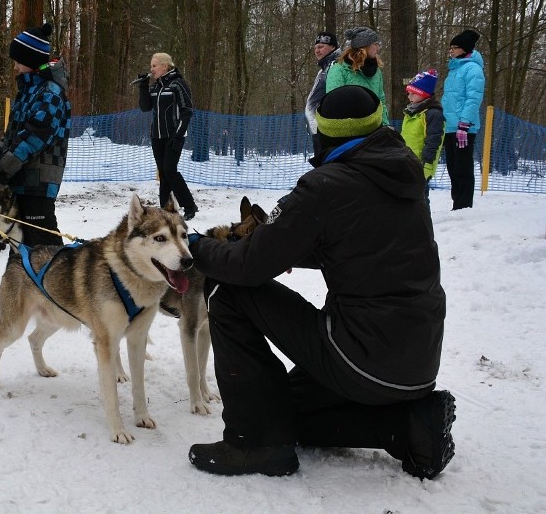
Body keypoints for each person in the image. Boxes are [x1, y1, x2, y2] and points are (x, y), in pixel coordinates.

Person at [186, 85, 454, 480]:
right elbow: (363, 242)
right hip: (417, 360)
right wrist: (287, 246)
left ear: (324, 132)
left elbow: (245, 266)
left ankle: (255, 444)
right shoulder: (402, 171)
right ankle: (410, 427)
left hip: (360, 356)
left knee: (228, 290)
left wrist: (198, 246)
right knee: (284, 408)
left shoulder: (327, 186)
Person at [0, 22, 71, 247]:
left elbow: (33, 139)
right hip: (20, 178)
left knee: (44, 245)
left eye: (18, 62)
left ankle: (60, 282)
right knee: (21, 246)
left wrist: (3, 168)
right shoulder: (28, 91)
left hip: (38, 182)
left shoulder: (50, 94)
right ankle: (25, 282)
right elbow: (12, 135)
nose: (15, 67)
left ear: (31, 61)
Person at [138, 52, 198, 220]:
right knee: (163, 173)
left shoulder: (178, 84)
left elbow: (187, 111)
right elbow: (145, 107)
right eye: (151, 66)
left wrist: (178, 135)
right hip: (157, 136)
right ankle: (164, 208)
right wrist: (143, 86)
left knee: (170, 170)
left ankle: (189, 205)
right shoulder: (156, 86)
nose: (152, 69)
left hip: (174, 135)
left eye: (154, 65)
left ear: (165, 66)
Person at [441, 29, 485, 210]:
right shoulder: (454, 69)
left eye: (455, 47)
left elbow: (473, 98)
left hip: (464, 128)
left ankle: (464, 205)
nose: (451, 50)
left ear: (465, 48)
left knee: (462, 168)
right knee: (452, 167)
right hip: (450, 127)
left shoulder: (473, 69)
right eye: (450, 47)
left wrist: (464, 123)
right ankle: (456, 203)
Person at [326, 26, 390, 126]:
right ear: (364, 46)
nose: (378, 48)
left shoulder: (377, 71)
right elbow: (333, 102)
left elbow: (381, 101)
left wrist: (386, 126)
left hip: (375, 128)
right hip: (349, 130)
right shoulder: (339, 70)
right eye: (375, 44)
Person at [402, 69, 445, 208]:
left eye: (413, 93)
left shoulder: (433, 114)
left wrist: (426, 163)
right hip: (407, 161)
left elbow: (433, 140)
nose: (409, 96)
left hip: (422, 164)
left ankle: (423, 220)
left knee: (420, 197)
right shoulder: (411, 112)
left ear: (423, 94)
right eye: (409, 93)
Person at [304, 31, 341, 158]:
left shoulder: (335, 67)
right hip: (319, 130)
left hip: (328, 132)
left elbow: (335, 98)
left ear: (333, 47)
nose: (317, 51)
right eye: (315, 48)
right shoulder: (324, 69)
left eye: (321, 47)